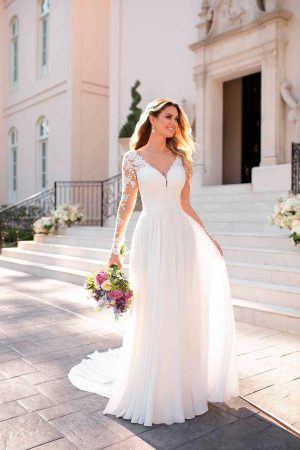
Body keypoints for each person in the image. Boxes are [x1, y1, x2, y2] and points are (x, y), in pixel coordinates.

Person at [68, 98, 240, 426]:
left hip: (180, 237)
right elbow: (126, 203)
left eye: (177, 119)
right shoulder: (133, 159)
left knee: (180, 306)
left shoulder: (181, 158)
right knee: (153, 307)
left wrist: (208, 235)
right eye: (168, 117)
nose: (173, 123)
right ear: (153, 118)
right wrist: (115, 247)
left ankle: (181, 384)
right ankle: (152, 385)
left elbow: (186, 204)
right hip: (150, 236)